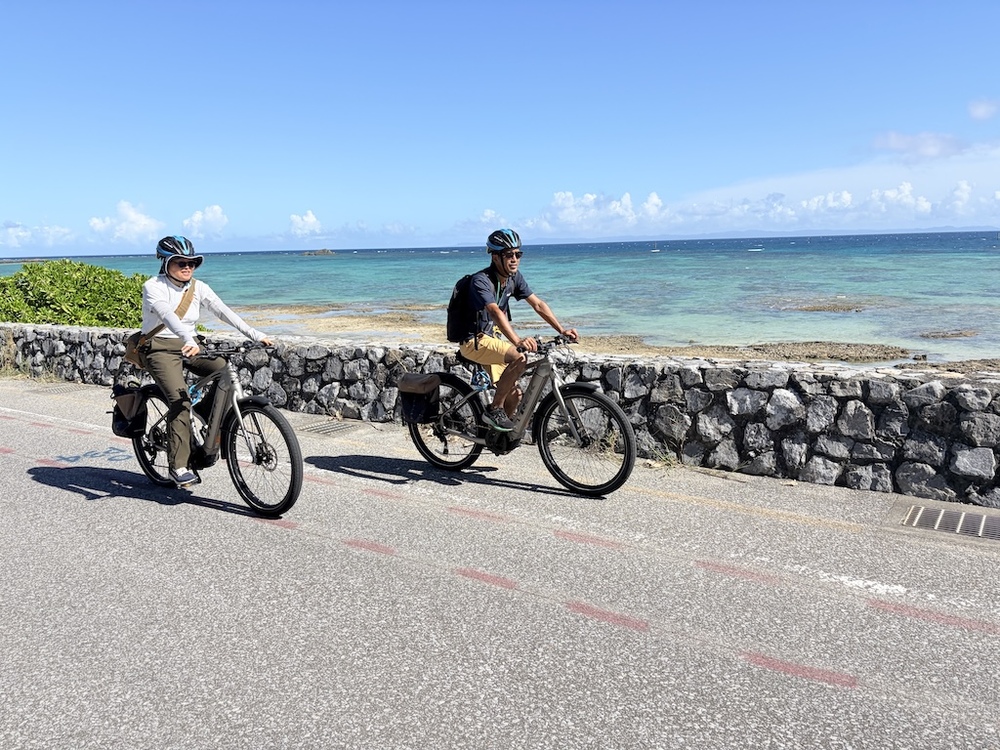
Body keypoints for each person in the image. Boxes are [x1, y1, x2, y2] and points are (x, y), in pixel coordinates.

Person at [139, 236, 273, 488]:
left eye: (192, 263)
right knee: (180, 401)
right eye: (180, 262)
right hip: (160, 348)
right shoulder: (153, 286)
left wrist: (255, 334)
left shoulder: (198, 287)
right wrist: (187, 338)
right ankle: (178, 466)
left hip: (191, 345)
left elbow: (223, 311)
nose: (187, 267)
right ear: (165, 262)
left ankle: (205, 411)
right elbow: (167, 315)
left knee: (222, 369)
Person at [457, 228, 578, 431]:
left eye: (518, 254)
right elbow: (495, 312)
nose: (514, 259)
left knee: (515, 395)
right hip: (473, 341)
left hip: (493, 339)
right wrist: (517, 341)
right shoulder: (481, 281)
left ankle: (497, 437)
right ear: (495, 257)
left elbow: (537, 304)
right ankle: (495, 409)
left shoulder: (513, 278)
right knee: (519, 357)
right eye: (509, 255)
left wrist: (561, 330)